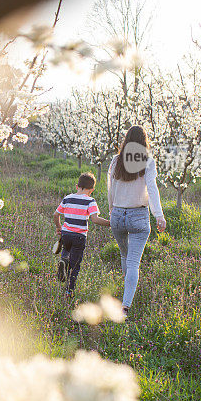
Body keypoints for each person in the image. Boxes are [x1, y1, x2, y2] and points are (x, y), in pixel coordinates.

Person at [107, 125, 167, 319]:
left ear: (126, 140)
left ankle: (126, 288)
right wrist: (159, 214)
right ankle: (125, 306)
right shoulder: (148, 161)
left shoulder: (116, 160)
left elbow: (110, 187)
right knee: (133, 262)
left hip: (117, 215)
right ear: (144, 141)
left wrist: (112, 210)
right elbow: (152, 188)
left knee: (125, 256)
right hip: (138, 216)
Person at [53, 172, 110, 297]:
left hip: (66, 234)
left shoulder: (67, 198)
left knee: (66, 253)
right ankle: (69, 291)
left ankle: (63, 261)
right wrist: (110, 224)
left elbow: (56, 214)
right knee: (75, 265)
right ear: (92, 190)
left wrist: (59, 228)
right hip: (79, 236)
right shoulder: (90, 201)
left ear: (77, 185)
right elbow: (95, 219)